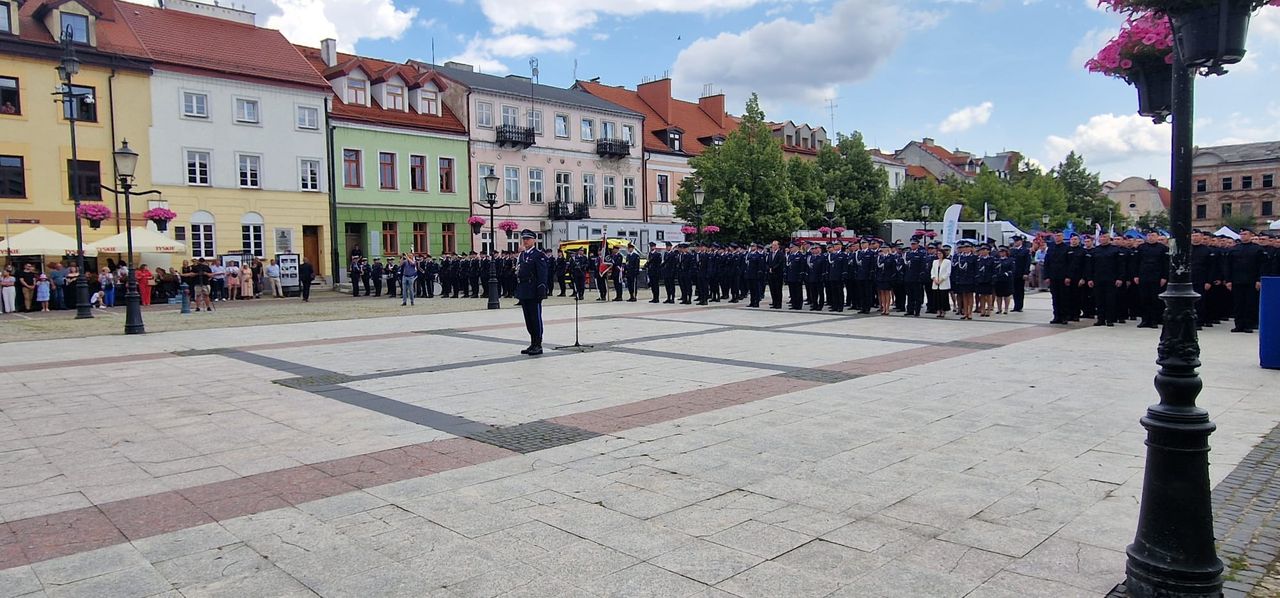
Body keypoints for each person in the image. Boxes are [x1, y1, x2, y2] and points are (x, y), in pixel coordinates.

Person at [1224, 229, 1265, 333]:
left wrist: (1259, 280)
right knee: (1238, 304)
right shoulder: (1234, 249)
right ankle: (1238, 325)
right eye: (1241, 234)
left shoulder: (1257, 249)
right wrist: (1228, 280)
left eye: (1245, 234)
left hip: (1251, 281)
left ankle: (1248, 325)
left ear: (1251, 235)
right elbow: (1228, 266)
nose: (1243, 236)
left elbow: (1262, 266)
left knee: (1250, 304)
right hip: (1237, 280)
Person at [515, 230, 548, 356]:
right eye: (524, 239)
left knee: (535, 318)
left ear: (534, 240)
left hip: (534, 290)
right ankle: (533, 343)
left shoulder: (538, 255)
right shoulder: (522, 255)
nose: (525, 241)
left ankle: (538, 344)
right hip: (524, 289)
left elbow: (542, 273)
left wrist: (541, 289)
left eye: (528, 239)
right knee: (528, 319)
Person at [930, 246, 952, 319]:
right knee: (937, 298)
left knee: (943, 297)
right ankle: (938, 311)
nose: (939, 255)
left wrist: (941, 280)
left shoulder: (947, 261)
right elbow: (932, 271)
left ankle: (943, 311)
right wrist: (934, 279)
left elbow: (948, 272)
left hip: (943, 282)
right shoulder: (935, 262)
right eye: (938, 254)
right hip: (936, 282)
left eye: (940, 253)